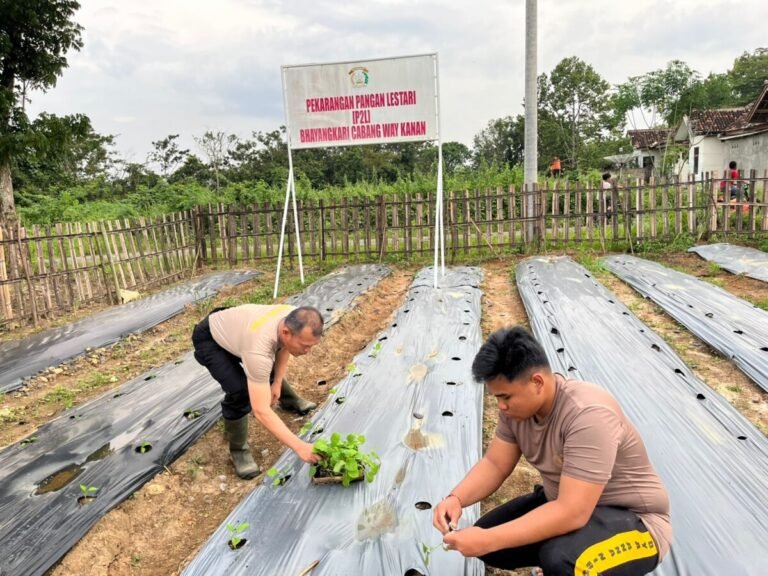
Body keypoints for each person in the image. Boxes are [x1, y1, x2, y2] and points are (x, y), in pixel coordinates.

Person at [434, 327, 671, 575]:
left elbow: (573, 512)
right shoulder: (516, 410)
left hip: (636, 522)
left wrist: (489, 538)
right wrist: (456, 499)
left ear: (537, 382)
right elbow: (495, 463)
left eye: (505, 396)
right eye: (496, 397)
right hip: (565, 501)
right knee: (491, 540)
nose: (501, 406)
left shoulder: (588, 414)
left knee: (561, 560)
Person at [192, 304, 323, 479]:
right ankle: (239, 451)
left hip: (240, 331)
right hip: (211, 339)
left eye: (311, 346)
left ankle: (288, 399)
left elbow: (284, 347)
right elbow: (261, 411)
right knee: (241, 390)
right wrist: (299, 446)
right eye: (305, 346)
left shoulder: (293, 318)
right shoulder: (258, 350)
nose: (308, 351)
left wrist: (276, 383)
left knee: (265, 371)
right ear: (286, 332)